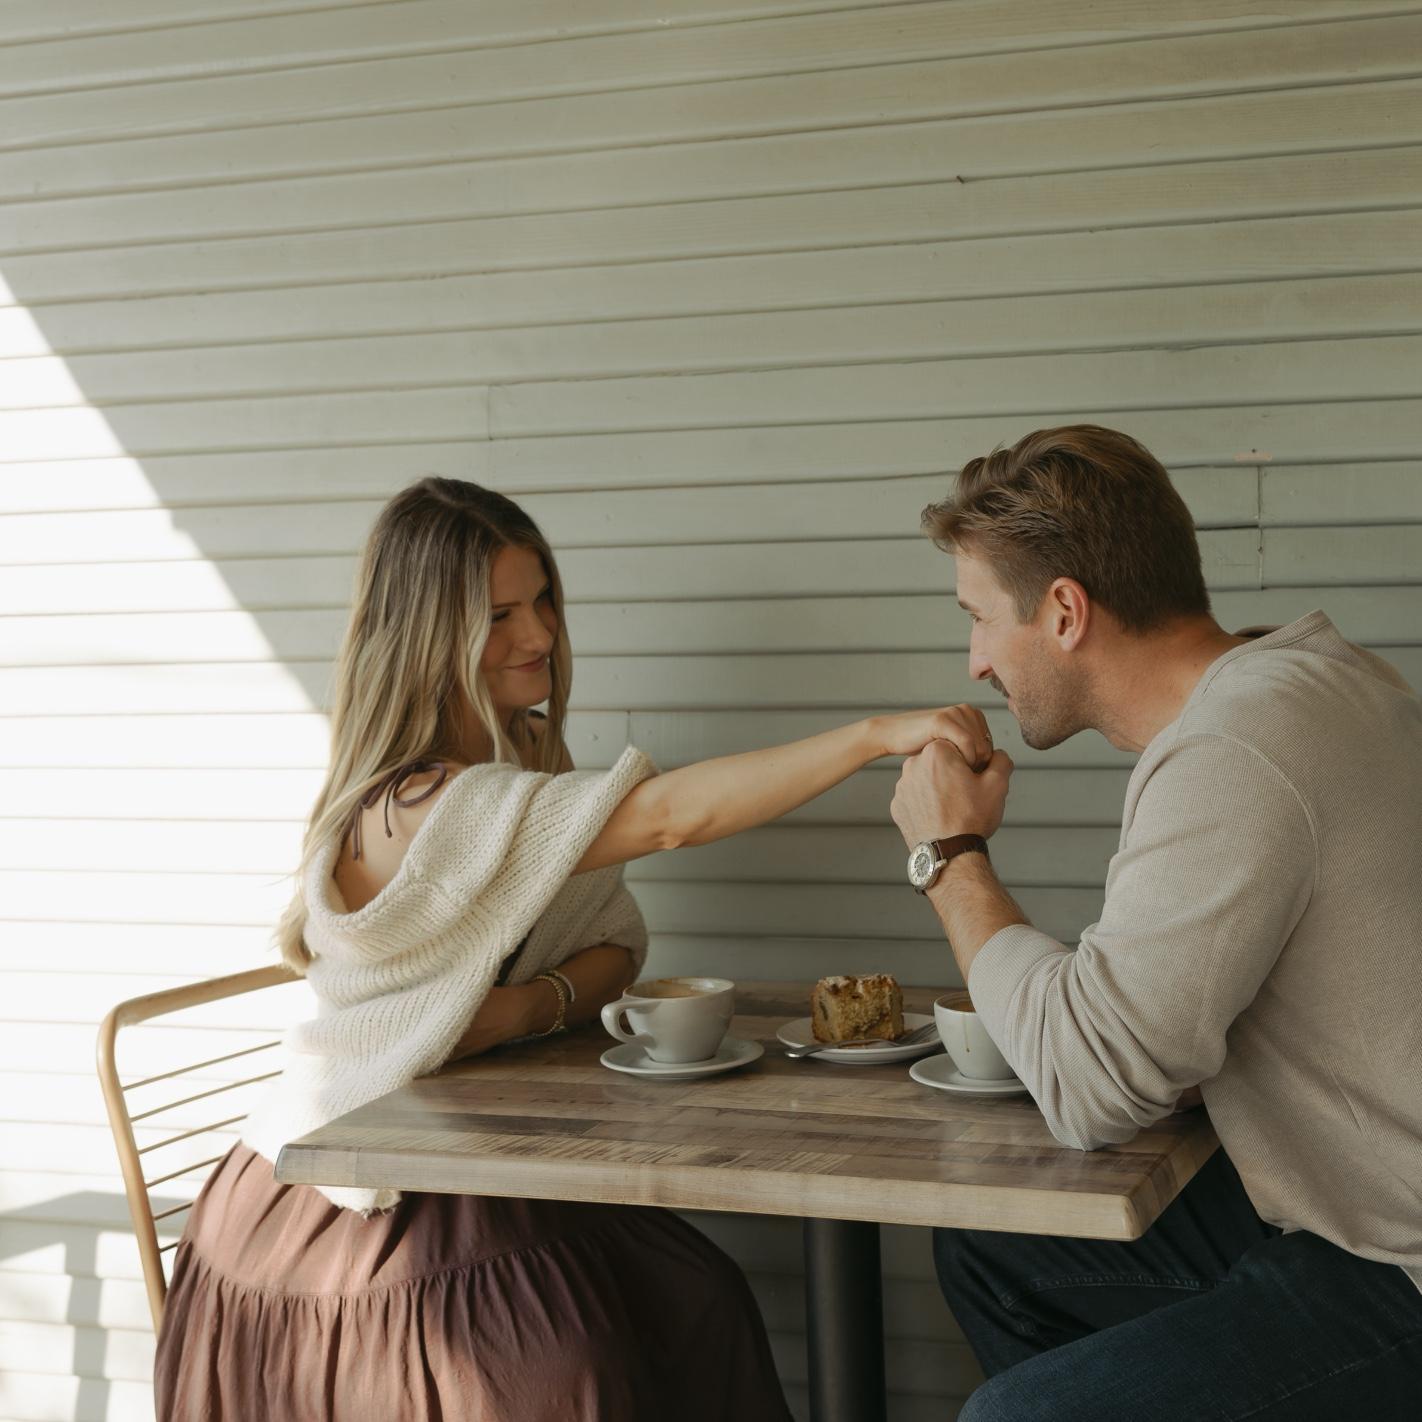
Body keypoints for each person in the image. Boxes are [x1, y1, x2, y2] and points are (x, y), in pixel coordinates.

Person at [153, 476, 993, 1422]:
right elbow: (670, 820)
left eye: (543, 599)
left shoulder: (516, 771)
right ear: (427, 636)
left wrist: (523, 1007)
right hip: (350, 1200)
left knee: (698, 1298)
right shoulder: (424, 803)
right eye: (500, 615)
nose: (541, 634)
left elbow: (614, 949)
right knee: (573, 1366)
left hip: (464, 1157)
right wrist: (876, 735)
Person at [888, 425, 1422, 1420]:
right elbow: (1154, 1039)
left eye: (979, 619)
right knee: (993, 1245)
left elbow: (1091, 1087)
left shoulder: (1236, 750)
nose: (975, 663)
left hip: (1396, 1260)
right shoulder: (1308, 680)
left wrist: (948, 857)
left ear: (1064, 612)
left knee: (1012, 1418)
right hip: (1350, 1196)